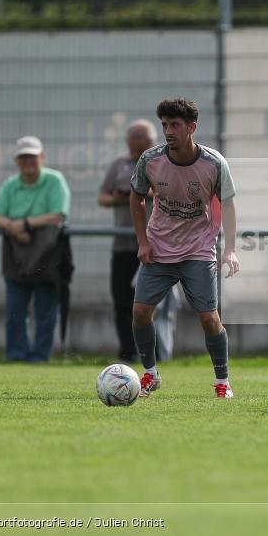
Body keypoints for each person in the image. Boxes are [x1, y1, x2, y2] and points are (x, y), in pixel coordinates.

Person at [130, 98, 238, 399]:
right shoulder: (150, 160)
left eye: (174, 125)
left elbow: (228, 205)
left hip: (198, 250)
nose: (168, 131)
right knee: (140, 312)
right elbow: (136, 197)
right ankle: (150, 375)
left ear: (192, 127)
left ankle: (222, 382)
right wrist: (142, 241)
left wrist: (229, 249)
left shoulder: (214, 163)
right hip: (158, 248)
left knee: (208, 318)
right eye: (164, 125)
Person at [99, 119, 178, 362]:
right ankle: (127, 352)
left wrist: (142, 193)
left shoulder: (165, 163)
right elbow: (102, 197)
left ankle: (155, 354)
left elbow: (175, 194)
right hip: (123, 247)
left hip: (156, 247)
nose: (135, 152)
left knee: (153, 305)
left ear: (152, 143)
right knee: (122, 303)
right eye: (132, 146)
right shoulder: (118, 165)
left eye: (140, 147)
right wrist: (121, 198)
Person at [0, 136, 71, 362]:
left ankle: (39, 358)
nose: (28, 162)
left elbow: (58, 215)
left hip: (48, 254)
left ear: (41, 157)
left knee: (46, 313)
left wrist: (24, 224)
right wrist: (12, 228)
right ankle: (16, 357)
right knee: (15, 313)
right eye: (23, 157)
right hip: (16, 255)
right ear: (17, 161)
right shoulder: (10, 185)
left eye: (32, 157)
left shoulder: (55, 180)